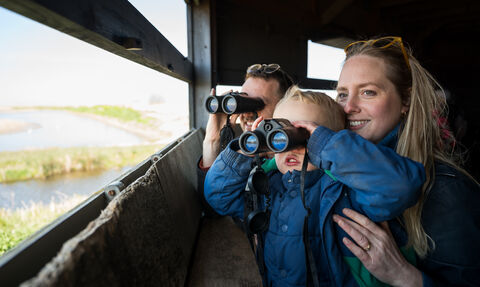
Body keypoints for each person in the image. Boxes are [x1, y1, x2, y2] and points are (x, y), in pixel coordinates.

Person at [204, 86, 425, 286]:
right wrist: (246, 150)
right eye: (279, 135)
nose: (291, 147)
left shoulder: (346, 192)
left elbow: (401, 188)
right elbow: (218, 197)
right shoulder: (267, 186)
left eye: (304, 137)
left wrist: (324, 143)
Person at [329, 36, 480, 286]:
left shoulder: (446, 190)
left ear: (405, 101)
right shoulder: (336, 169)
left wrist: (404, 275)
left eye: (368, 92)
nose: (348, 107)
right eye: (343, 94)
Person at [197, 63, 294, 216]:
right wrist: (213, 139)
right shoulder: (240, 156)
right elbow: (213, 210)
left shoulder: (293, 162)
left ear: (286, 108)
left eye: (257, 104)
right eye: (242, 103)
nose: (247, 114)